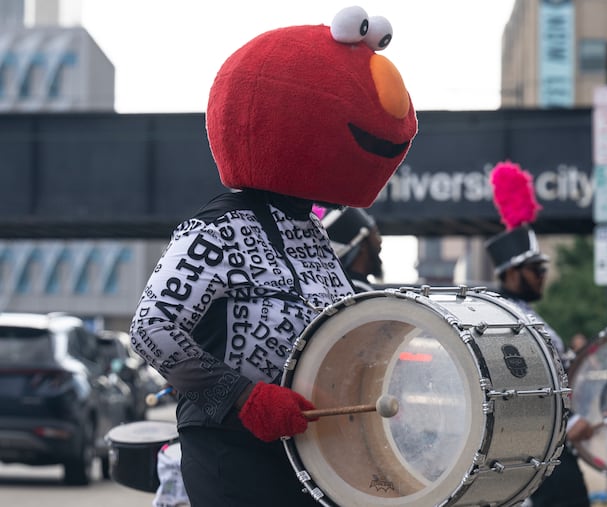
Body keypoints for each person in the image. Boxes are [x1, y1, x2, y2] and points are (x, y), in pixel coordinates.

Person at [129, 6, 417, 507]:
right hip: (230, 452)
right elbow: (151, 331)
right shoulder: (215, 229)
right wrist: (244, 397)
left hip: (310, 455)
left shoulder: (313, 231)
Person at [486, 160, 594, 507]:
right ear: (511, 273)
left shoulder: (525, 313)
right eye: (536, 270)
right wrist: (570, 423)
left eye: (543, 269)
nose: (543, 276)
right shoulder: (504, 319)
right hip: (535, 447)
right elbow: (521, 385)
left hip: (550, 445)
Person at [321, 207, 383, 292]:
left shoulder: (333, 292)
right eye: (376, 233)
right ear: (363, 245)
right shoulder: (363, 295)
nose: (380, 241)